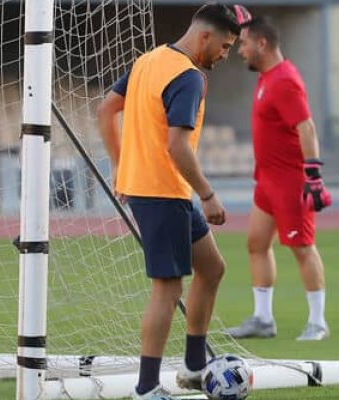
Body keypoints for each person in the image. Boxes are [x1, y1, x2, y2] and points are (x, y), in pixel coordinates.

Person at [96, 3, 249, 399]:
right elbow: (178, 146)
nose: (224, 54)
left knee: (212, 268)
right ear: (205, 37)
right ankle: (147, 388)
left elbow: (106, 109)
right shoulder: (188, 77)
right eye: (225, 46)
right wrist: (209, 195)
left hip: (161, 189)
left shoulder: (149, 60)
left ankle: (194, 366)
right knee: (167, 290)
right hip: (163, 192)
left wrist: (119, 165)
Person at [227, 14, 333, 342]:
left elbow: (307, 127)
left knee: (302, 248)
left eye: (243, 43)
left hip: (290, 182)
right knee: (256, 243)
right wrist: (246, 21)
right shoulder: (267, 76)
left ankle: (318, 322)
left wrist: (313, 175)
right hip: (267, 181)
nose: (238, 50)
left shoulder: (285, 80)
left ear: (262, 43)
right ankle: (262, 319)